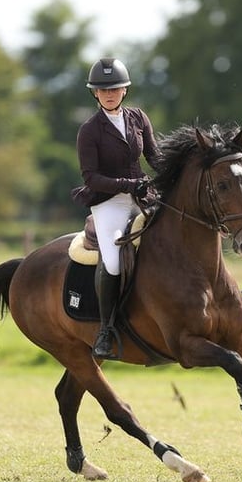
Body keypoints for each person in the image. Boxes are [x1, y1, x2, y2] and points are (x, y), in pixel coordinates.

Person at [71, 57, 160, 359]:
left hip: (143, 197)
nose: (109, 94)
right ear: (95, 94)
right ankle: (106, 330)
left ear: (125, 90)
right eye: (103, 90)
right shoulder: (89, 130)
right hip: (109, 203)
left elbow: (155, 158)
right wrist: (127, 185)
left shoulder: (138, 118)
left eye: (115, 88)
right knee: (112, 262)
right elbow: (91, 178)